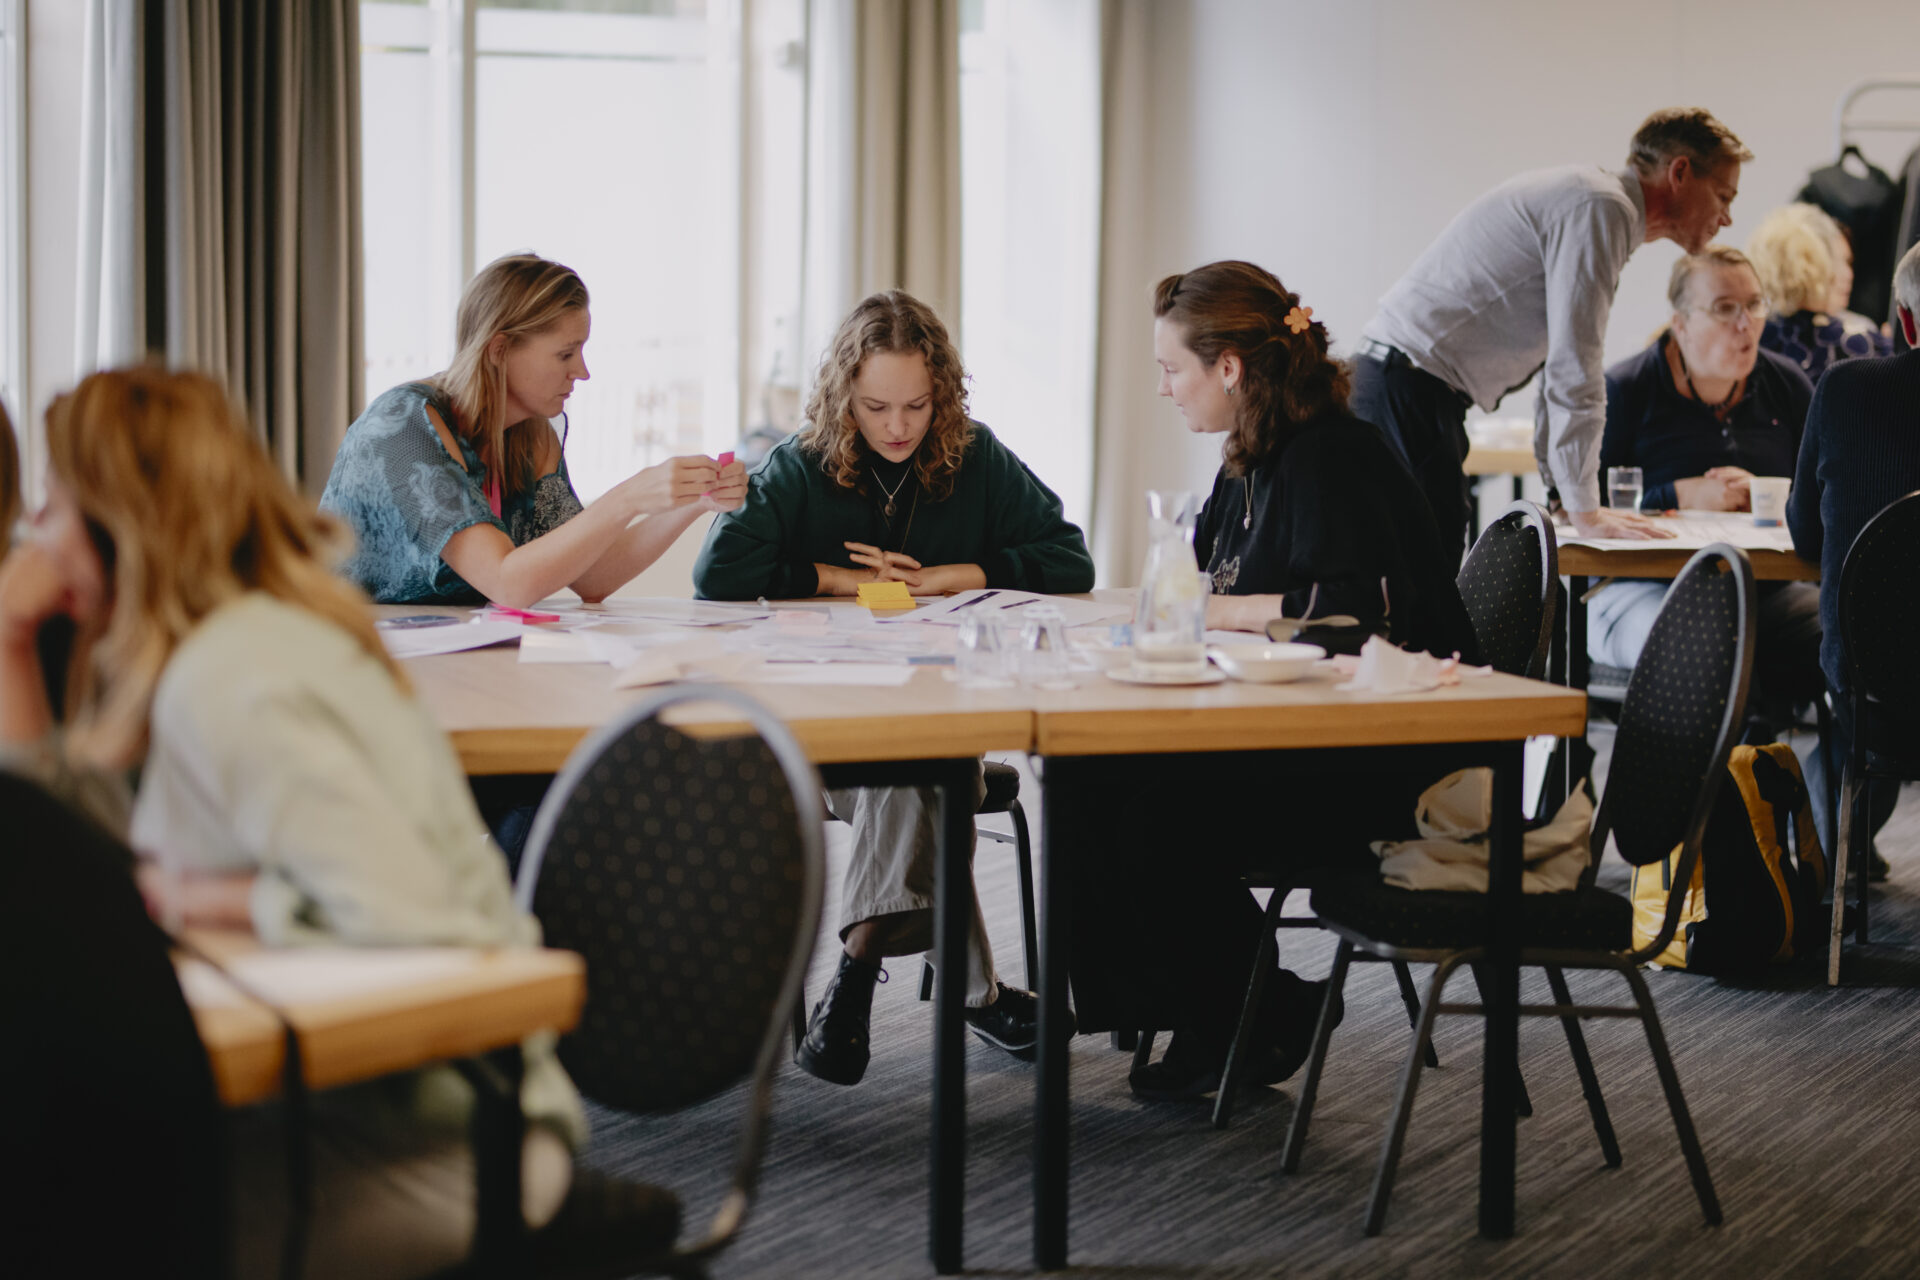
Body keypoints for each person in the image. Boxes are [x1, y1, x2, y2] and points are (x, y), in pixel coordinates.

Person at [0, 367, 677, 1278]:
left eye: (52, 507)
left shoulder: (240, 675)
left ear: (118, 523)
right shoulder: (197, 652)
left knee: (74, 1220)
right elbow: (69, 853)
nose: (33, 536)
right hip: (349, 1112)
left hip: (442, 1145)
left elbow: (414, 921)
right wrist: (11, 649)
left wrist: (217, 898)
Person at [1087, 261, 1480, 1101]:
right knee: (1091, 780)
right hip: (1296, 734)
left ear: (1228, 368)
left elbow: (1345, 618)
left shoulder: (1335, 458)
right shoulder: (1248, 460)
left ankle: (1249, 1016)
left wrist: (1211, 616)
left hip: (1388, 764)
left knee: (1158, 820)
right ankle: (1206, 1009)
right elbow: (1194, 589)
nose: (1164, 389)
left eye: (1171, 369)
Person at [694, 290, 1095, 1085]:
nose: (898, 427)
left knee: (918, 766)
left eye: (916, 405)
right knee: (923, 773)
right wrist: (835, 579)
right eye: (877, 406)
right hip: (820, 736)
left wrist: (961, 575)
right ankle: (976, 996)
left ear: (940, 394)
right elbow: (719, 574)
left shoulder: (973, 458)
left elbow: (1070, 558)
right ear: (846, 394)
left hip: (931, 721)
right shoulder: (802, 463)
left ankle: (852, 979)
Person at [1353, 107, 1753, 562]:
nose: (1727, 218)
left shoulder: (1598, 203)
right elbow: (1574, 369)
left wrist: (1564, 493)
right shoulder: (1601, 207)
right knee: (1422, 592)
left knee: (1421, 583)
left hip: (1403, 384)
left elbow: (1558, 364)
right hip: (1407, 389)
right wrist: (1586, 510)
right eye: (1724, 196)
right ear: (1680, 172)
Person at [321, 252, 747, 609]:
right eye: (565, 354)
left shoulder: (530, 434)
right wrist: (629, 496)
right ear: (500, 350)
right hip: (342, 650)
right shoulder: (404, 427)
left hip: (434, 652)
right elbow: (508, 583)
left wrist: (694, 501)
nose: (582, 372)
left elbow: (593, 576)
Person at [1590, 247, 1821, 719]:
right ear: (1681, 324)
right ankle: (1728, 788)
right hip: (1640, 589)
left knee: (1854, 632)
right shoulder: (1627, 390)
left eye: (1755, 304)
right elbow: (1574, 508)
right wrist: (1674, 496)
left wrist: (1771, 495)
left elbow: (1826, 495)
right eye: (1724, 309)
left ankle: (1820, 789)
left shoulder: (1787, 385)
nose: (1746, 323)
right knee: (1708, 642)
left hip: (1766, 590)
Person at [1786, 241, 1920, 870]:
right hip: (1881, 681)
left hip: (1874, 694)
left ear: (1906, 322)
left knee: (1865, 670)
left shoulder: (1844, 389)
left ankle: (1832, 862)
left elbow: (1807, 539)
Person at [1748, 202, 1895, 383]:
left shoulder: (1751, 337)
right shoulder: (1863, 344)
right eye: (1843, 261)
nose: (1849, 274)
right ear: (1817, 264)